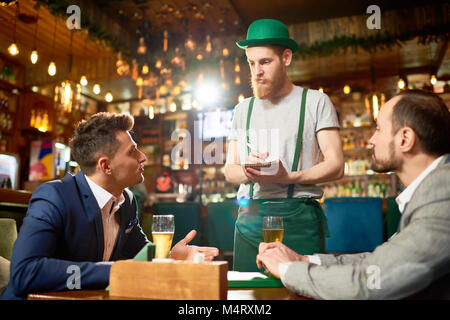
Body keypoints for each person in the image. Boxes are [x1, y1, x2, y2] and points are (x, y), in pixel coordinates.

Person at [1, 112, 218, 300]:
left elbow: (139, 259)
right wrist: (114, 271)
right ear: (105, 166)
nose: (143, 157)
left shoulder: (128, 202)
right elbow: (24, 274)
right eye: (132, 152)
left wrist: (170, 257)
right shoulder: (54, 196)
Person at [256, 90, 450, 299]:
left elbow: (374, 279)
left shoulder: (442, 191)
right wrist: (304, 261)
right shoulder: (435, 188)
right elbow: (379, 262)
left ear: (405, 139)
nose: (371, 140)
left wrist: (286, 269)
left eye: (378, 129)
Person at [224, 18, 344, 271]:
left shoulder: (315, 102)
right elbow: (229, 170)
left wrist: (288, 177)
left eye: (265, 62)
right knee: (247, 297)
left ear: (286, 58)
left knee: (302, 293)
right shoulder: (242, 109)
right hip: (249, 220)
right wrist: (247, 170)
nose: (256, 71)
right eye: (252, 63)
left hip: (300, 220)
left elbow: (336, 165)